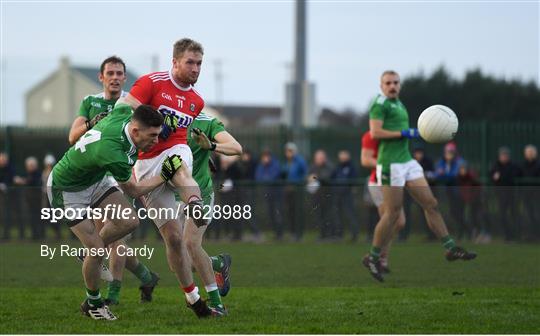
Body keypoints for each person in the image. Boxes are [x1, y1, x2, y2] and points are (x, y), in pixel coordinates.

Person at [119, 38, 226, 317]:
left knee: (179, 164)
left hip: (175, 152)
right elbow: (125, 106)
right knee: (174, 240)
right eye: (190, 62)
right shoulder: (152, 82)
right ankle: (193, 298)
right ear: (175, 62)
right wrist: (152, 121)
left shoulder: (196, 101)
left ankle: (194, 204)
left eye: (199, 63)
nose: (196, 68)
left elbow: (189, 139)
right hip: (145, 165)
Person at [47, 103, 178, 320]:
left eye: (158, 134)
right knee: (98, 251)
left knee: (129, 222)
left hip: (93, 179)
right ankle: (93, 303)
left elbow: (123, 105)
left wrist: (162, 115)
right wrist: (164, 175)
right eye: (153, 135)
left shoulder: (125, 114)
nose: (157, 140)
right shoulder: (114, 153)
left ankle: (87, 254)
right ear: (135, 131)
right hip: (67, 190)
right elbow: (134, 191)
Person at [363, 70, 476, 282]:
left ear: (400, 84)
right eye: (388, 83)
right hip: (390, 164)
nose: (392, 86)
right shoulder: (380, 105)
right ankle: (373, 257)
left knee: (431, 203)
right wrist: (405, 133)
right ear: (381, 85)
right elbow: (375, 133)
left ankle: (450, 248)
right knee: (393, 214)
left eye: (396, 82)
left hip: (406, 161)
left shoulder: (399, 104)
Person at [68, 56, 159, 306]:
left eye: (120, 73)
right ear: (101, 77)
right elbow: (72, 136)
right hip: (95, 173)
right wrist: (90, 123)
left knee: (115, 236)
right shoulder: (90, 102)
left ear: (124, 77)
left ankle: (113, 295)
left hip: (121, 173)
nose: (116, 77)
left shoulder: (129, 103)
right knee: (104, 239)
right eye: (111, 73)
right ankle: (146, 276)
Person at [184, 112, 243, 300]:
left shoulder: (206, 121)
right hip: (171, 195)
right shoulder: (162, 117)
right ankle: (218, 263)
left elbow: (236, 148)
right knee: (180, 261)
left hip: (200, 193)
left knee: (191, 244)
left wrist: (211, 146)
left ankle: (215, 303)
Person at [361, 130, 405, 273]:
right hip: (378, 183)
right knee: (392, 221)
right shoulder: (370, 136)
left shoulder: (398, 136)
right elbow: (366, 160)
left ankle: (377, 257)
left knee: (399, 222)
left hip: (393, 182)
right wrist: (386, 165)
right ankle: (380, 259)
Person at [435, 142, 466, 239]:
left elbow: (454, 176)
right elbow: (437, 173)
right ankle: (464, 231)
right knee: (453, 212)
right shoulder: (442, 162)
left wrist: (443, 174)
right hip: (449, 191)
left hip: (460, 191)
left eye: (451, 152)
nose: (449, 154)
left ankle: (465, 232)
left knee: (459, 212)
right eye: (447, 152)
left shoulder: (460, 162)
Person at [490, 146, 521, 241]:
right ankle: (507, 235)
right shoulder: (496, 166)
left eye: (506, 155)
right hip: (500, 195)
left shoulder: (513, 165)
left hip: (511, 194)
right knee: (502, 215)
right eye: (502, 155)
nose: (504, 157)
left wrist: (500, 177)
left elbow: (514, 175)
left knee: (514, 214)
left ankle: (516, 235)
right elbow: (492, 176)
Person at [255, 149, 284, 240]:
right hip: (268, 193)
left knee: (277, 214)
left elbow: (273, 176)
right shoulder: (261, 166)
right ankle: (276, 234)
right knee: (271, 214)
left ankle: (280, 234)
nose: (265, 158)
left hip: (277, 194)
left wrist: (265, 178)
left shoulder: (275, 164)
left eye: (267, 156)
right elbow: (258, 177)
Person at [307, 149, 336, 240]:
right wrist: (309, 178)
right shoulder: (313, 167)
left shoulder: (329, 166)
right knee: (319, 216)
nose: (319, 160)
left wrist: (315, 177)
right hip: (316, 196)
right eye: (317, 158)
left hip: (328, 196)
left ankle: (330, 234)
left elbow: (325, 177)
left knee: (328, 215)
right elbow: (308, 176)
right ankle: (322, 234)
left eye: (321, 158)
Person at [332, 150, 360, 241]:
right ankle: (339, 234)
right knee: (337, 215)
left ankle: (354, 234)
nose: (342, 158)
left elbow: (354, 179)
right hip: (337, 194)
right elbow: (332, 177)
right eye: (341, 156)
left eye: (344, 156)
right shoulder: (337, 167)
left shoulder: (351, 167)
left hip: (347, 194)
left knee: (350, 214)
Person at [282, 142, 308, 241]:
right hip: (288, 189)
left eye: (290, 151)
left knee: (298, 212)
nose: (288, 153)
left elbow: (305, 173)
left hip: (297, 190)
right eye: (287, 151)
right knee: (290, 212)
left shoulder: (300, 161)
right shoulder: (287, 163)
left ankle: (299, 234)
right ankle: (293, 233)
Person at [14, 157, 43, 240]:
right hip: (29, 200)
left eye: (31, 165)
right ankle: (34, 235)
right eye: (29, 165)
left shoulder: (37, 174)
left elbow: (32, 182)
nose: (29, 167)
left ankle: (38, 235)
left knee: (38, 217)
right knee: (31, 218)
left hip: (37, 200)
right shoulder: (27, 174)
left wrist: (23, 181)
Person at [520, 144, 540, 240]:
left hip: (536, 193)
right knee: (527, 214)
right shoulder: (522, 165)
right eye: (528, 153)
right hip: (526, 193)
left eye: (531, 152)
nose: (530, 154)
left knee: (536, 214)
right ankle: (528, 235)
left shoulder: (538, 165)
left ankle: (537, 234)